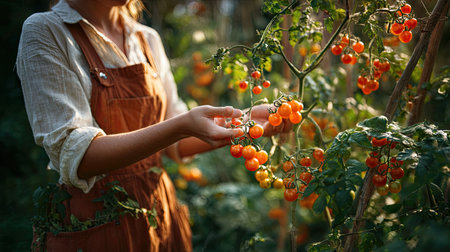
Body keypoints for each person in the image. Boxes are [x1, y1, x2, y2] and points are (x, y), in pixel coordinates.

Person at [16, 0, 290, 251]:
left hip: (159, 215)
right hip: (97, 224)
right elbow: (78, 156)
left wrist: (241, 123)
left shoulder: (146, 39)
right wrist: (182, 125)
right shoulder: (47, 32)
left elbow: (176, 142)